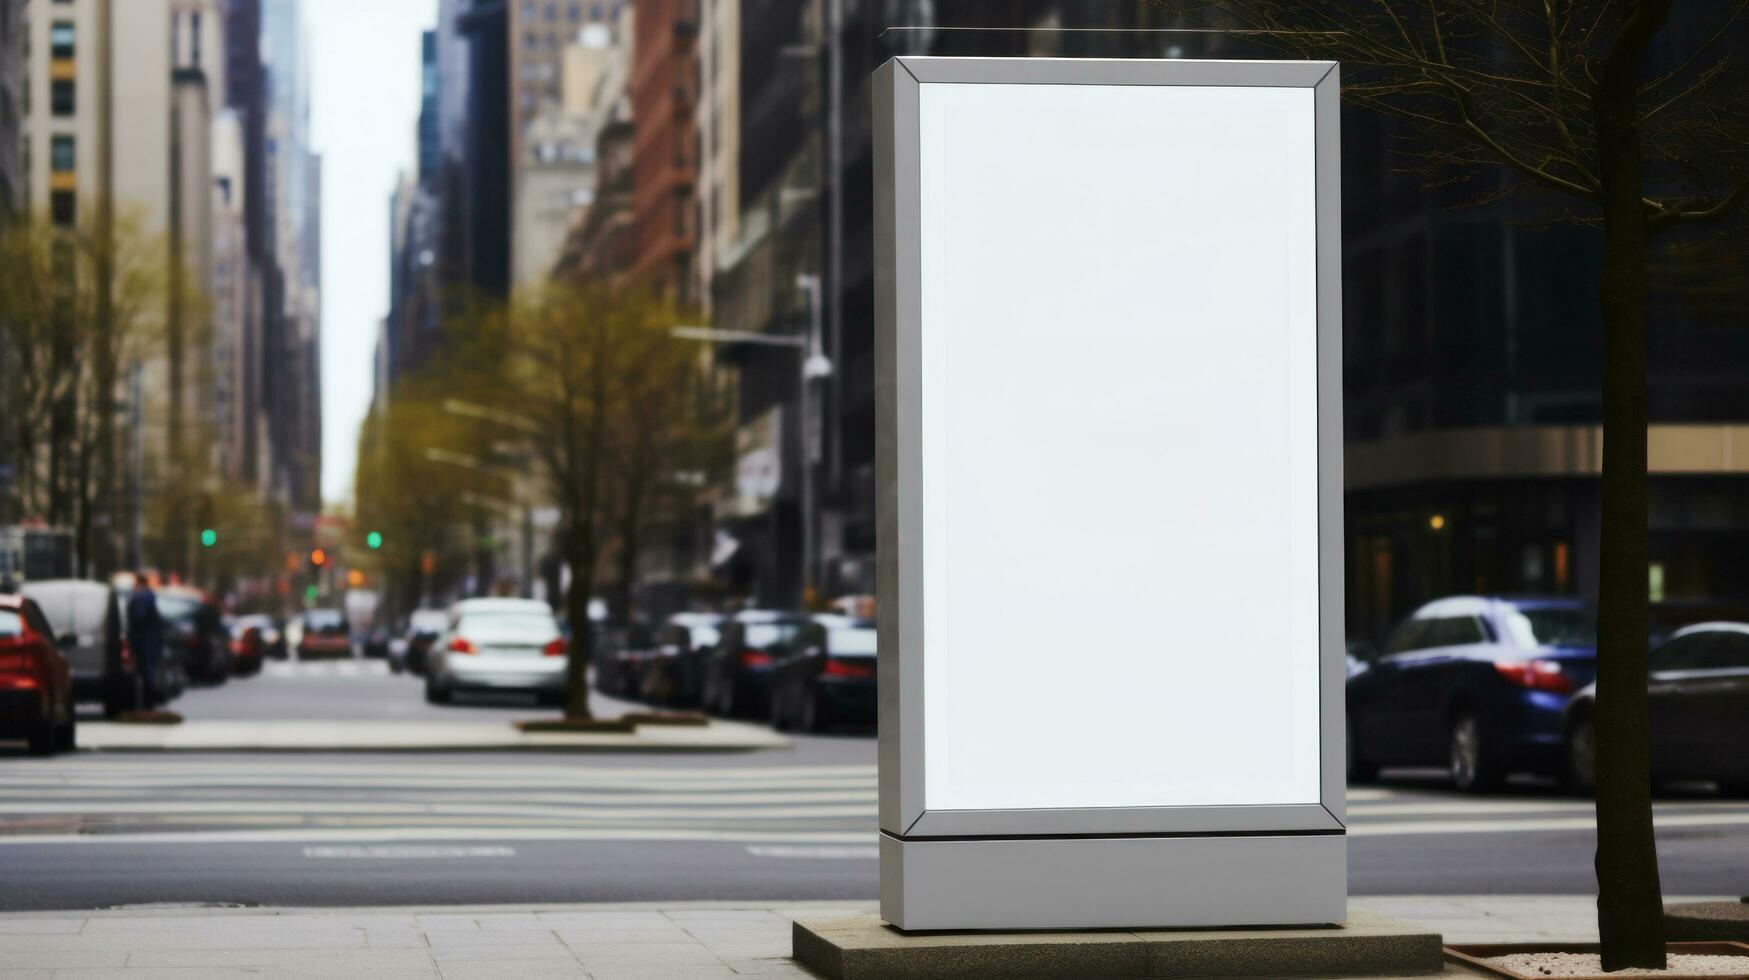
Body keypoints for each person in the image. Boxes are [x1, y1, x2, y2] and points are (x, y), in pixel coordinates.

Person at [125, 574, 164, 709]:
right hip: (149, 638)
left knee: (145, 670)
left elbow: (139, 618)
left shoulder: (140, 597)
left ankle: (145, 702)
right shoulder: (149, 596)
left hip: (143, 639)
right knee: (149, 669)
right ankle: (149, 701)